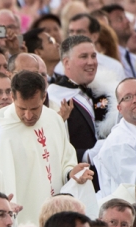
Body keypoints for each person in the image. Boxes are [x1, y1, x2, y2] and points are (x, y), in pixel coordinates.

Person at [0, 71, 80, 227]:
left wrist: (71, 172)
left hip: (56, 209)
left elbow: (67, 158)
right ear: (12, 97)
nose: (28, 115)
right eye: (22, 108)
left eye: (34, 108)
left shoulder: (54, 119)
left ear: (44, 97)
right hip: (24, 212)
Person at [47, 35, 119, 166]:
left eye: (93, 56)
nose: (91, 62)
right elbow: (51, 146)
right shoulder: (54, 96)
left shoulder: (101, 91)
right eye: (83, 57)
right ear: (66, 62)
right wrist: (85, 156)